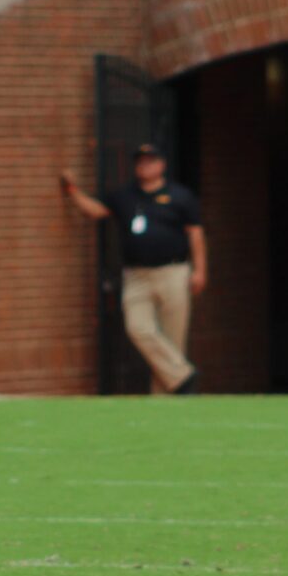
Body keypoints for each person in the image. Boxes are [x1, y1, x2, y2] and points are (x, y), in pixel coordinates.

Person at [58, 144, 205, 394]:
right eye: (141, 161)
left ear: (162, 165)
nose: (145, 166)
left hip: (173, 271)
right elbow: (96, 210)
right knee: (138, 327)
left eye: (150, 161)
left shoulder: (180, 196)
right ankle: (182, 376)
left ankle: (167, 403)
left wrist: (200, 270)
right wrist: (72, 191)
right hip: (137, 275)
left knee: (173, 339)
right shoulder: (125, 195)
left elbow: (196, 234)